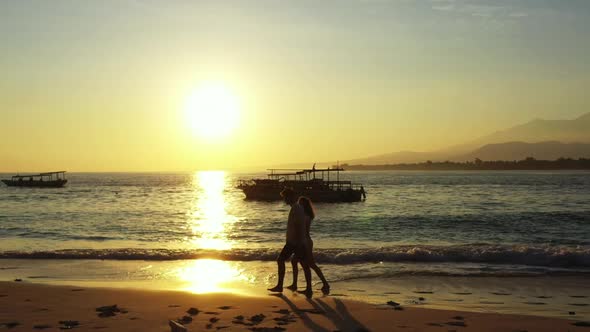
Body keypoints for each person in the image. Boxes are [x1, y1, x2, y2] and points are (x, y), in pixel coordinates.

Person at [268, 188, 313, 297]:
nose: (284, 200)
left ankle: (281, 286)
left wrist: (297, 242)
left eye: (285, 197)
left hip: (295, 242)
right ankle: (308, 288)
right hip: (295, 241)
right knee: (303, 264)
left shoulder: (296, 208)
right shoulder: (296, 208)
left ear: (290, 197)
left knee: (282, 260)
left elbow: (298, 226)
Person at [286, 196, 330, 296]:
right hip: (306, 241)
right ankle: (296, 284)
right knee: (304, 262)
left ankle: (311, 286)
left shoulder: (305, 216)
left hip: (304, 242)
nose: (299, 205)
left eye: (300, 203)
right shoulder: (307, 215)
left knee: (308, 264)